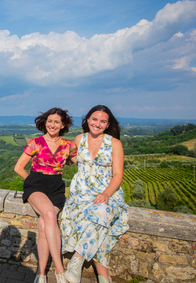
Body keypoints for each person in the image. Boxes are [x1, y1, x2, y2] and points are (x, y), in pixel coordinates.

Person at [60, 105, 129, 283]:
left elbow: (118, 174)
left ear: (107, 124)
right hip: (81, 191)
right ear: (88, 120)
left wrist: (106, 194)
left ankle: (77, 259)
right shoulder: (79, 139)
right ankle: (104, 277)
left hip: (107, 190)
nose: (97, 124)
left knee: (101, 212)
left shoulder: (115, 143)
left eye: (102, 121)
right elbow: (73, 160)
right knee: (100, 226)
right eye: (94, 119)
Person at [14, 108, 77, 283]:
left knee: (44, 226)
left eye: (57, 122)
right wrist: (30, 182)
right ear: (45, 123)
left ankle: (41, 274)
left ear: (63, 125)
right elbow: (18, 167)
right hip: (36, 185)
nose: (52, 125)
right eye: (50, 121)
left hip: (56, 187)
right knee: (50, 215)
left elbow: (80, 162)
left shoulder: (69, 146)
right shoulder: (36, 142)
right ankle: (60, 270)